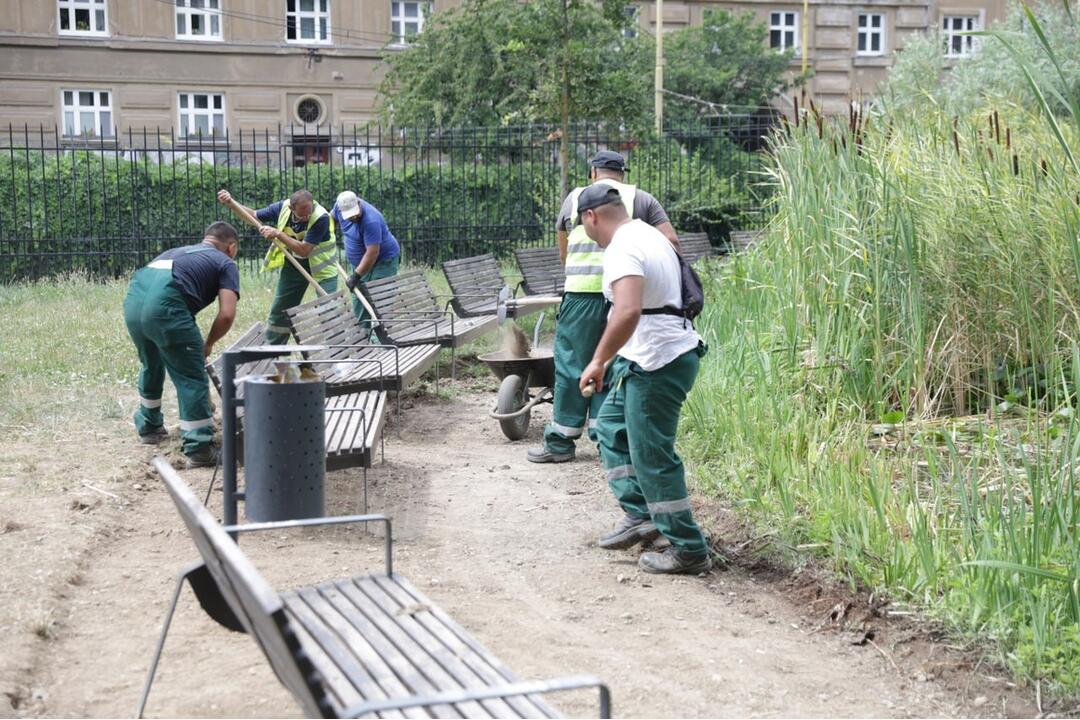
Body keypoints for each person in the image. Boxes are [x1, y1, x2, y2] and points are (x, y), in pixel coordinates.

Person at [576, 184, 711, 575]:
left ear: (591, 217)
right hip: (651, 356)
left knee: (652, 454)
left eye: (581, 224)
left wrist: (598, 360)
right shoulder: (650, 234)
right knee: (609, 425)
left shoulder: (622, 246)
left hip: (658, 361)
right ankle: (641, 515)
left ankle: (688, 548)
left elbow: (628, 310)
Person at [527, 150, 681, 464]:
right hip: (624, 295)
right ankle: (604, 440)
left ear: (594, 173)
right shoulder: (642, 200)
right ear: (622, 174)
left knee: (572, 365)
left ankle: (561, 443)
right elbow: (672, 243)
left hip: (581, 296)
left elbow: (563, 250)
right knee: (609, 365)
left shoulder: (576, 198)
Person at [123, 222, 240, 469]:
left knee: (151, 365)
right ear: (231, 247)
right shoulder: (225, 262)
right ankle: (200, 448)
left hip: (134, 303)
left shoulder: (179, 251)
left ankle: (149, 426)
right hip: (166, 308)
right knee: (191, 375)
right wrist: (207, 344)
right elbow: (227, 314)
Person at [216, 188, 337, 344]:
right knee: (280, 309)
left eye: (309, 212)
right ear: (291, 209)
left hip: (323, 267)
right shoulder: (282, 207)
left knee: (329, 310)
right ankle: (273, 351)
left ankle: (337, 351)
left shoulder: (321, 217)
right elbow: (253, 215)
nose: (307, 217)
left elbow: (304, 250)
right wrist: (231, 203)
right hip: (295, 265)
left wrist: (279, 234)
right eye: (302, 214)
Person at [333, 190, 401, 325]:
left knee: (380, 299)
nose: (352, 218)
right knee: (359, 300)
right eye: (348, 216)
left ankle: (381, 339)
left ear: (358, 203)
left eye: (354, 213)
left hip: (383, 262)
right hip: (359, 263)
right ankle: (363, 338)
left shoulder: (371, 220)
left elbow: (372, 253)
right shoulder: (339, 207)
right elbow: (331, 220)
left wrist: (356, 276)